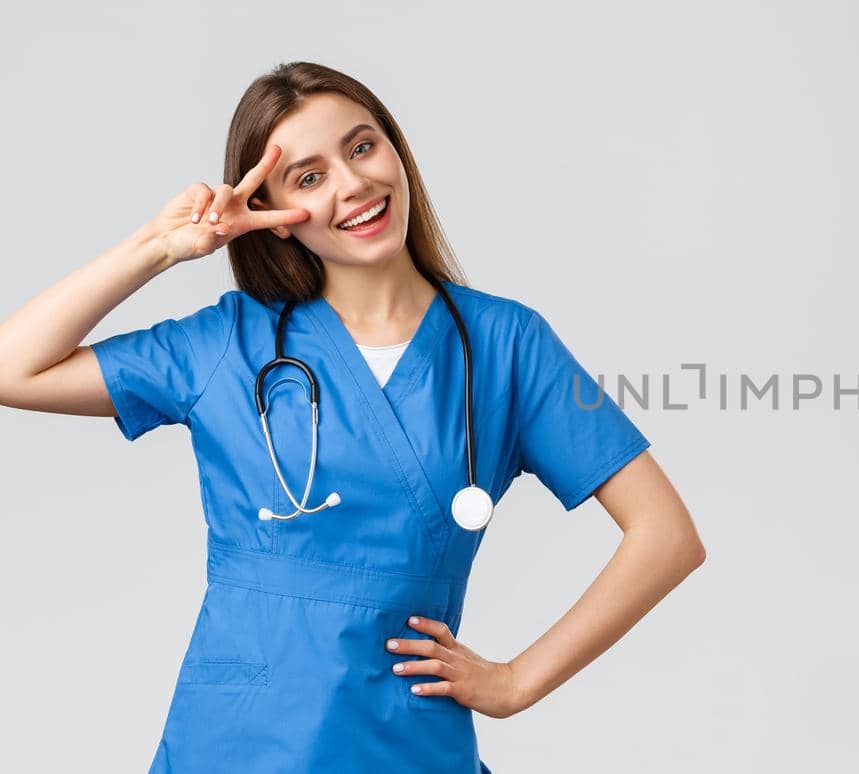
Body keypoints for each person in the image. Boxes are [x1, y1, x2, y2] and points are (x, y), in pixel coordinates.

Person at [0, 61, 706, 773]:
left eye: (362, 147)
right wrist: (159, 246)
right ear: (273, 216)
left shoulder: (506, 345)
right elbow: (11, 369)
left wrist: (517, 681)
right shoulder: (226, 344)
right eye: (308, 178)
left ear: (396, 150)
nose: (353, 185)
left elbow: (666, 535)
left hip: (404, 740)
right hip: (233, 742)